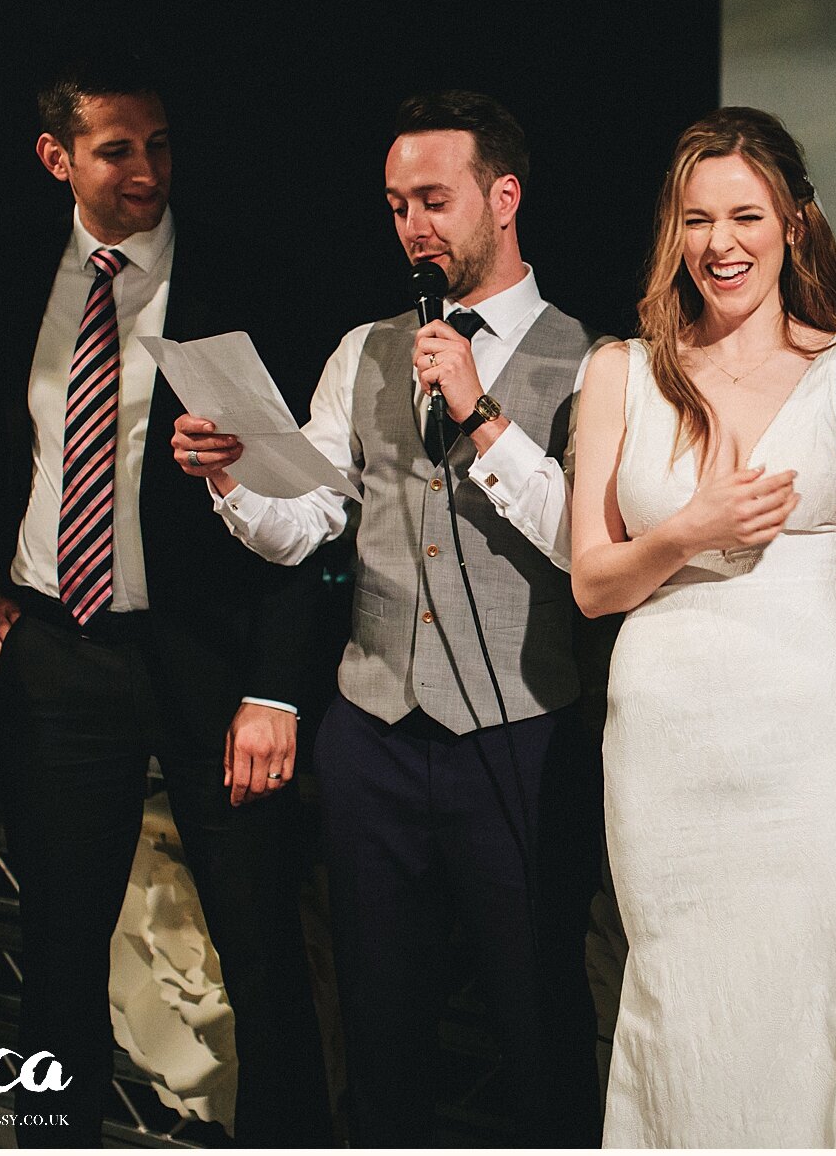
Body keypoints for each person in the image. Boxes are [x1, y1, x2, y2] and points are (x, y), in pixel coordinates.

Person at [171, 90, 605, 1146]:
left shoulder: (591, 359)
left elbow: (585, 549)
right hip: (373, 731)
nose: (413, 225)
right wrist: (232, 481)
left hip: (521, 732)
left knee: (536, 1017)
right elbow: (309, 515)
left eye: (433, 199)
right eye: (396, 205)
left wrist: (478, 408)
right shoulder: (364, 349)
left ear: (503, 198)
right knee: (382, 1024)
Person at [568, 106, 836, 1147]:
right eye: (697, 218)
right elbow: (591, 582)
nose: (721, 243)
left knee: (827, 987)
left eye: (746, 216)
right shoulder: (619, 371)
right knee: (682, 1000)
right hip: (668, 747)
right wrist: (688, 530)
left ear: (796, 225)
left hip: (813, 741)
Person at [0, 56, 331, 1146]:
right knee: (58, 941)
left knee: (258, 943)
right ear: (57, 156)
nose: (146, 168)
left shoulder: (246, 280)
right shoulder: (7, 274)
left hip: (209, 649)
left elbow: (310, 508)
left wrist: (278, 690)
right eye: (117, 148)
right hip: (59, 647)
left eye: (158, 144)